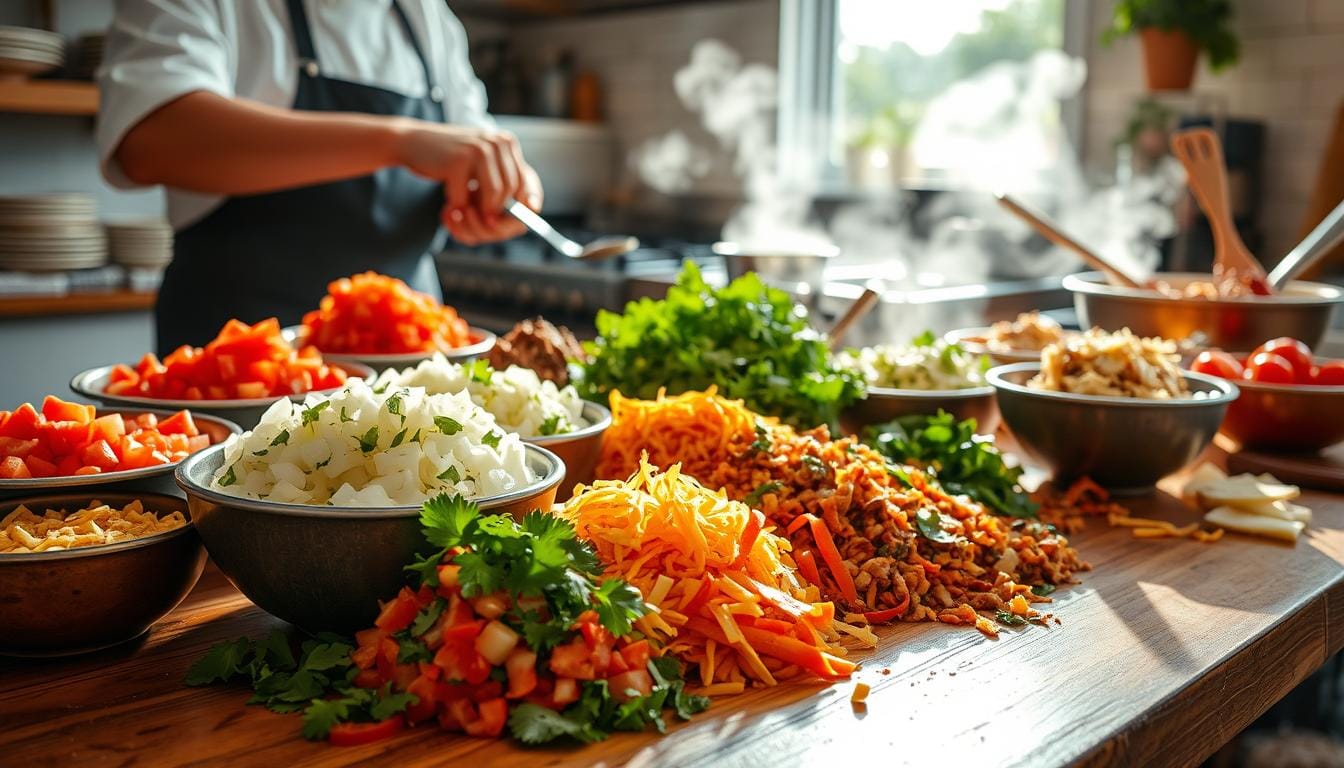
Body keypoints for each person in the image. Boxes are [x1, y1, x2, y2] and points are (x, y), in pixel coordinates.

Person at [96, 0, 542, 354]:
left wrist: (510, 190)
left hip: (411, 368)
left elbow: (478, 152)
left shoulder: (427, 15)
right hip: (240, 370)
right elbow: (152, 138)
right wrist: (398, 140)